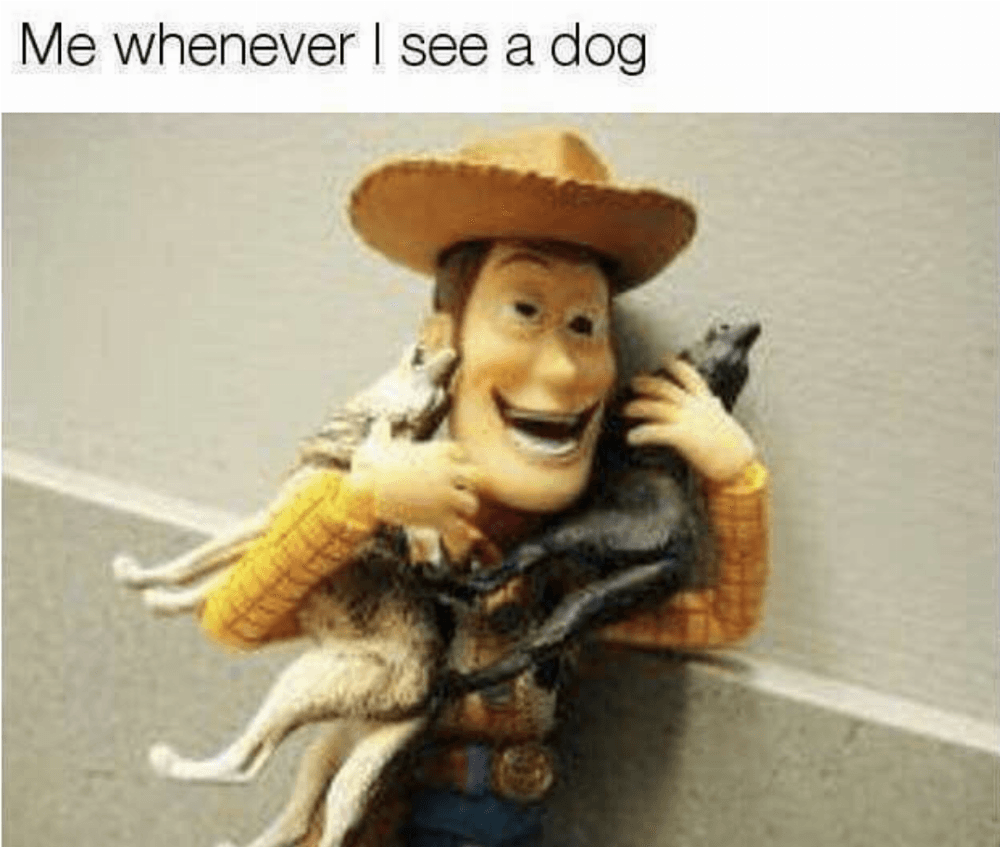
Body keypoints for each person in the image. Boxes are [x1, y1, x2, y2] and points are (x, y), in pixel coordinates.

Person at [197, 128, 769, 847]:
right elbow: (236, 616)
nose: (562, 370)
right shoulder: (400, 537)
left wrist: (734, 477)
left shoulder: (565, 579)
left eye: (584, 326)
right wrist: (361, 499)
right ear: (444, 338)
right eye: (524, 312)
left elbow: (717, 619)